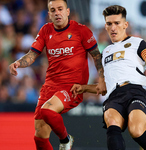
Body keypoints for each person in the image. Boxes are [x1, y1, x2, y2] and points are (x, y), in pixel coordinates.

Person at [70, 5, 146, 150]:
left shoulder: (138, 43)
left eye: (117, 23)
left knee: (136, 130)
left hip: (135, 91)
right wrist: (84, 88)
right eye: (109, 23)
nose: (113, 28)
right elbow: (103, 87)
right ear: (105, 26)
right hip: (114, 95)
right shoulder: (104, 53)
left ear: (125, 25)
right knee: (112, 122)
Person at [9, 0, 107, 150]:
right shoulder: (45, 30)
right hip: (50, 86)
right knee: (40, 135)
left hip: (72, 87)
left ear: (67, 11)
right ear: (49, 15)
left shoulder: (81, 30)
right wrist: (18, 63)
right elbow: (32, 55)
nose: (57, 13)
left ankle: (66, 140)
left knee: (47, 110)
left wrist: (101, 79)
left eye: (60, 9)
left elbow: (96, 56)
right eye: (53, 10)